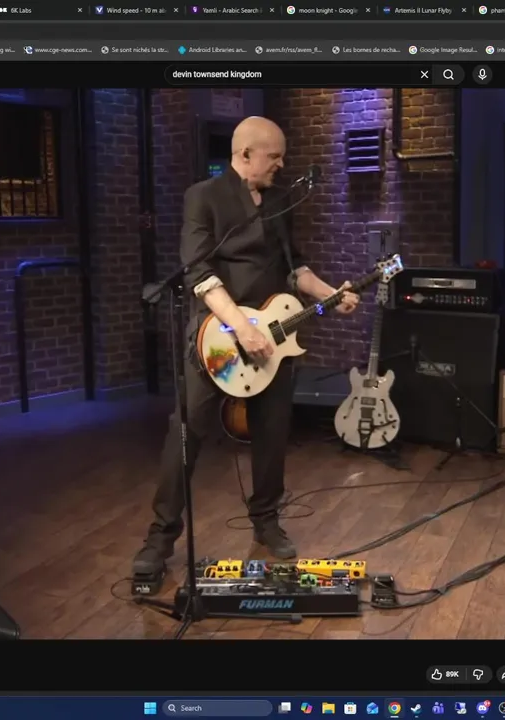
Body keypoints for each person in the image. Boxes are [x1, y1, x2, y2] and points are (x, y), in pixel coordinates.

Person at [131, 116, 359, 578]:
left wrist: (329, 293)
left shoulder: (279, 199)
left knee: (272, 432)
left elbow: (296, 267)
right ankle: (160, 536)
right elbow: (199, 275)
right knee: (186, 432)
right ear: (245, 154)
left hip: (273, 335)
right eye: (274, 156)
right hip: (217, 334)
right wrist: (239, 326)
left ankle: (266, 521)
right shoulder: (204, 197)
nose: (281, 164)